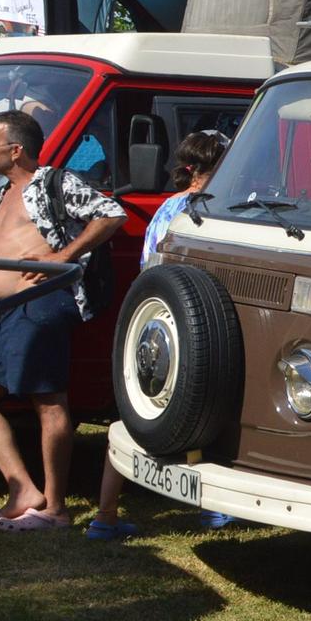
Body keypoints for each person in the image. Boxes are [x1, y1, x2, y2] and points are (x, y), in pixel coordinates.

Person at [0, 110, 125, 532]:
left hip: (43, 304)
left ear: (16, 149)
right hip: (3, 314)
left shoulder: (53, 183)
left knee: (48, 402)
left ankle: (56, 509)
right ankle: (23, 492)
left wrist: (63, 257)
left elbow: (111, 213)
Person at [88, 129, 232, 540]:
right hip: (196, 323)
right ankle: (213, 509)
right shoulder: (216, 210)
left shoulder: (167, 208)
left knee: (135, 416)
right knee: (207, 416)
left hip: (150, 318)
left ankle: (105, 514)